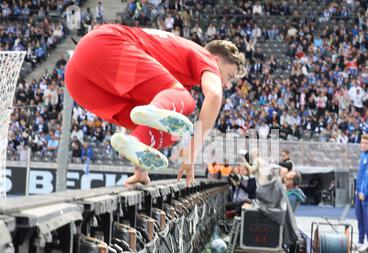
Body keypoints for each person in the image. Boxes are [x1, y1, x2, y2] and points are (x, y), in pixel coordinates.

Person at [66, 24, 246, 187]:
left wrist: (140, 170)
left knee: (170, 133)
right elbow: (214, 96)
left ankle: (137, 145)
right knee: (187, 103)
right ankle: (154, 110)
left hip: (78, 78)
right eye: (229, 77)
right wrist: (192, 152)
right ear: (217, 60)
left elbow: (139, 118)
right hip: (106, 44)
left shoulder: (172, 78)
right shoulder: (205, 57)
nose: (227, 85)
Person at [355, 134, 368, 250]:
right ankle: (360, 239)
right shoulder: (362, 155)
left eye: (366, 143)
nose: (363, 145)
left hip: (364, 192)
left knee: (366, 217)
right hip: (358, 190)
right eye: (362, 143)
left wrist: (364, 191)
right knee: (359, 216)